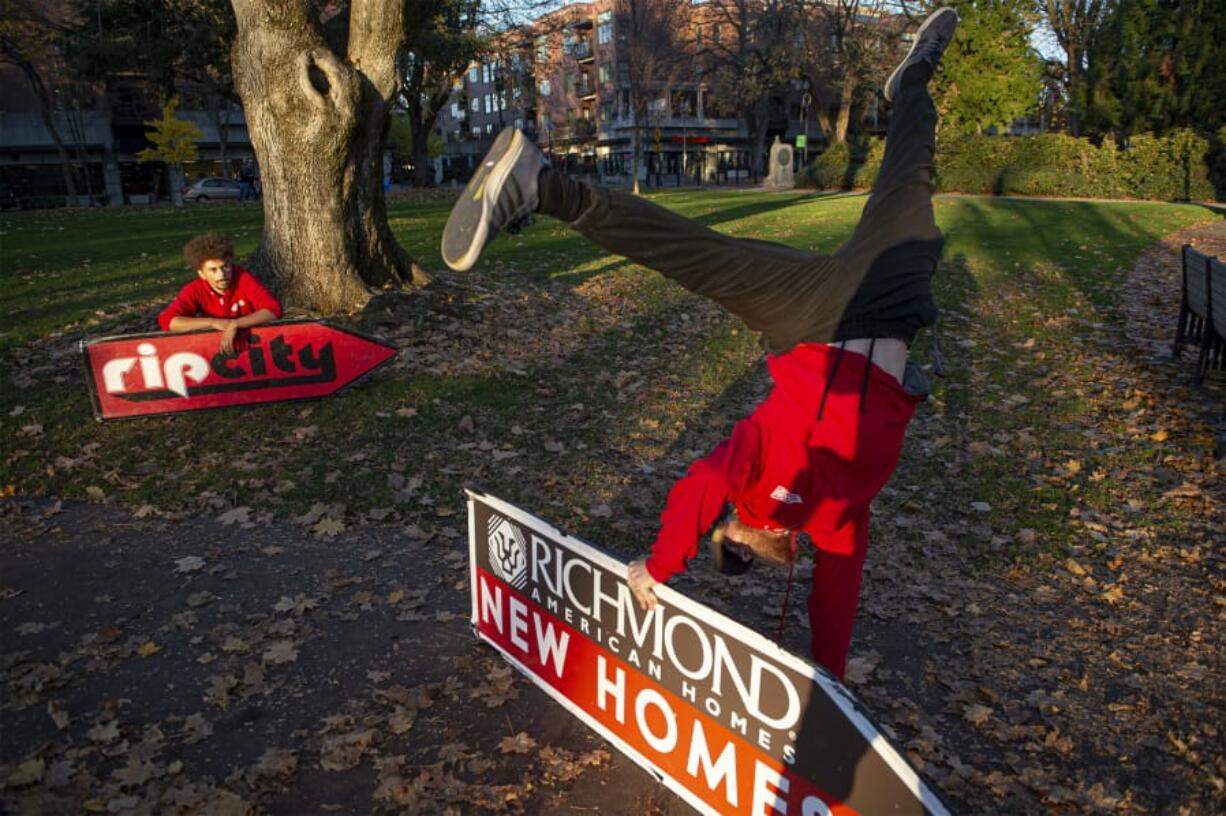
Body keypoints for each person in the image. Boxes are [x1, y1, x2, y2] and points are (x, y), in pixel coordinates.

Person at [440, 8, 958, 681]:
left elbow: (751, 522)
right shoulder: (808, 516)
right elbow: (824, 580)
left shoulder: (797, 512)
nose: (731, 532)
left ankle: (539, 185)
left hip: (835, 318)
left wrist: (663, 568)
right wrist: (824, 674)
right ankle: (911, 77)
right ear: (744, 538)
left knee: (703, 255)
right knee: (903, 178)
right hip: (873, 309)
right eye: (731, 540)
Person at [158, 233, 282, 354]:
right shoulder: (195, 289)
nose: (221, 275)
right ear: (202, 274)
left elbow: (273, 310)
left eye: (225, 267)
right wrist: (212, 322)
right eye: (213, 270)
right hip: (215, 353)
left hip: (254, 348)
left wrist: (234, 324)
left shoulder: (243, 278)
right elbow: (168, 321)